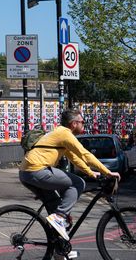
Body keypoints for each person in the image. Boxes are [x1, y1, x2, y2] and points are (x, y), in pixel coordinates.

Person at [19, 108, 121, 259]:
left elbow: (74, 158)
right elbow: (85, 154)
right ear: (74, 124)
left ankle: (59, 251)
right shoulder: (64, 134)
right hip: (37, 171)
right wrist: (107, 172)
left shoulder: (61, 135)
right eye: (82, 122)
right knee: (77, 183)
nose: (83, 125)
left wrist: (90, 172)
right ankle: (59, 216)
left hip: (28, 173)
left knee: (58, 213)